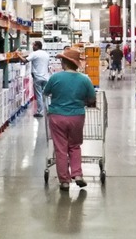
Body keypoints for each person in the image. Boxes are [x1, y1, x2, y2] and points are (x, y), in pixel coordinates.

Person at [44, 48, 96, 191]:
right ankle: (77, 174)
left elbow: (46, 92)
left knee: (61, 149)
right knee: (74, 146)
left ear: (64, 62)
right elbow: (92, 98)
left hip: (57, 116)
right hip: (77, 117)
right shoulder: (85, 79)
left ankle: (64, 181)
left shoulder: (55, 78)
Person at [16, 41, 50, 117]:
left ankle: (40, 112)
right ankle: (48, 110)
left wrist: (18, 54)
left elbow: (24, 61)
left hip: (37, 77)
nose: (32, 47)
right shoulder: (46, 54)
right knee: (46, 95)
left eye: (33, 45)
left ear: (37, 46)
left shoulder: (35, 54)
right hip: (46, 77)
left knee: (39, 95)